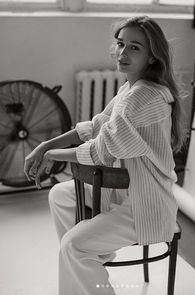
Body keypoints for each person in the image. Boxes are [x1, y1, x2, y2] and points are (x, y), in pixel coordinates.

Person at [24, 15, 186, 295]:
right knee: (61, 195)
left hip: (145, 204)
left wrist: (52, 154)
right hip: (124, 192)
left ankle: (82, 262)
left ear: (151, 56)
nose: (123, 53)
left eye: (135, 47)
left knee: (73, 245)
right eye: (121, 44)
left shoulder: (144, 96)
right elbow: (95, 126)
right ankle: (88, 264)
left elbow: (101, 150)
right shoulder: (131, 88)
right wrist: (44, 146)